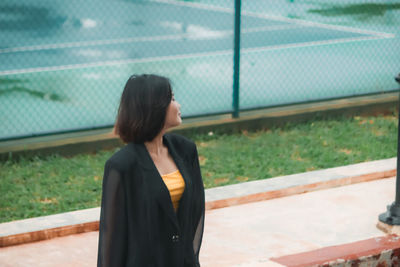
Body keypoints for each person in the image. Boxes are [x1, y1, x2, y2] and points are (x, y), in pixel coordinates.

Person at [97, 74, 205, 267]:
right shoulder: (122, 165)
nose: (178, 105)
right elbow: (112, 238)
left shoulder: (186, 150)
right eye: (172, 99)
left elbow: (195, 213)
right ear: (154, 106)